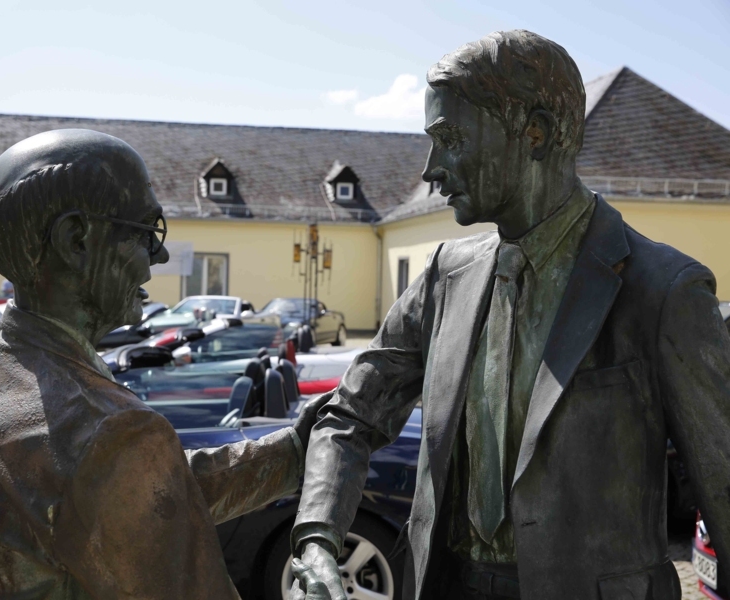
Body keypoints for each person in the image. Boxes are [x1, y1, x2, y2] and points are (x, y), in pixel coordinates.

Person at [290, 30, 730, 599]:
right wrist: (318, 539)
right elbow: (351, 414)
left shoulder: (664, 291)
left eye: (450, 139)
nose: (430, 169)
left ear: (535, 133)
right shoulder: (444, 276)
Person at [0, 129, 331, 599]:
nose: (160, 254)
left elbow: (142, 496)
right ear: (75, 240)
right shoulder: (106, 429)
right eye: (147, 231)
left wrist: (292, 451)